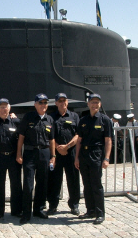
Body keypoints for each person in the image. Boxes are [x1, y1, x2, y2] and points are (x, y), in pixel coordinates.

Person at [16, 93, 55, 224]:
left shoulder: (49, 120)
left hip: (44, 153)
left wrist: (53, 156)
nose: (43, 105)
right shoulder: (28, 117)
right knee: (28, 184)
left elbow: (52, 140)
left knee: (42, 183)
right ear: (35, 104)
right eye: (40, 103)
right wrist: (18, 154)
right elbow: (21, 137)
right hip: (30, 153)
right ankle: (26, 213)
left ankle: (38, 209)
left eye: (45, 103)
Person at [74, 93, 113, 225]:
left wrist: (106, 158)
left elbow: (108, 141)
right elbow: (79, 140)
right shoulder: (83, 120)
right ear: (88, 104)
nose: (94, 104)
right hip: (84, 155)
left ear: (100, 104)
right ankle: (90, 210)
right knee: (86, 185)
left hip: (96, 154)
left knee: (96, 185)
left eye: (97, 102)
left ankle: (100, 212)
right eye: (92, 102)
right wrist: (77, 157)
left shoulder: (105, 120)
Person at [47, 93, 80, 216]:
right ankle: (53, 205)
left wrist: (67, 146)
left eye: (64, 100)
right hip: (56, 154)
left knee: (73, 180)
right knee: (54, 180)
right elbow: (50, 136)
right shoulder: (51, 117)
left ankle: (74, 205)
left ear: (67, 102)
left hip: (71, 152)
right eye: (60, 101)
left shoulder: (75, 116)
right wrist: (58, 148)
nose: (62, 103)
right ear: (56, 103)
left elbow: (78, 135)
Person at [0, 98, 23, 220]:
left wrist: (19, 154)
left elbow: (21, 139)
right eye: (1, 107)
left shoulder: (16, 122)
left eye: (6, 107)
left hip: (13, 156)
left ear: (9, 108)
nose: (4, 109)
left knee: (16, 184)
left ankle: (16, 210)